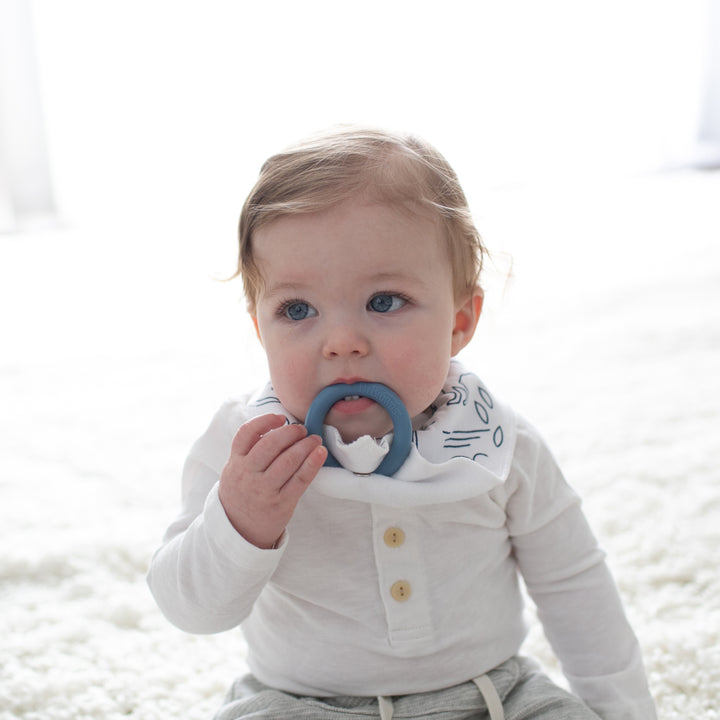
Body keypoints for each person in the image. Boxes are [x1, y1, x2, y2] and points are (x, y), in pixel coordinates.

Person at [147, 126, 657, 720]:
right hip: (299, 704)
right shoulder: (247, 446)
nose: (341, 343)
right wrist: (238, 523)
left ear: (460, 319)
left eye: (384, 301)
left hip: (494, 697)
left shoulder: (498, 444)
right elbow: (190, 611)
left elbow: (577, 589)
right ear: (261, 329)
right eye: (297, 310)